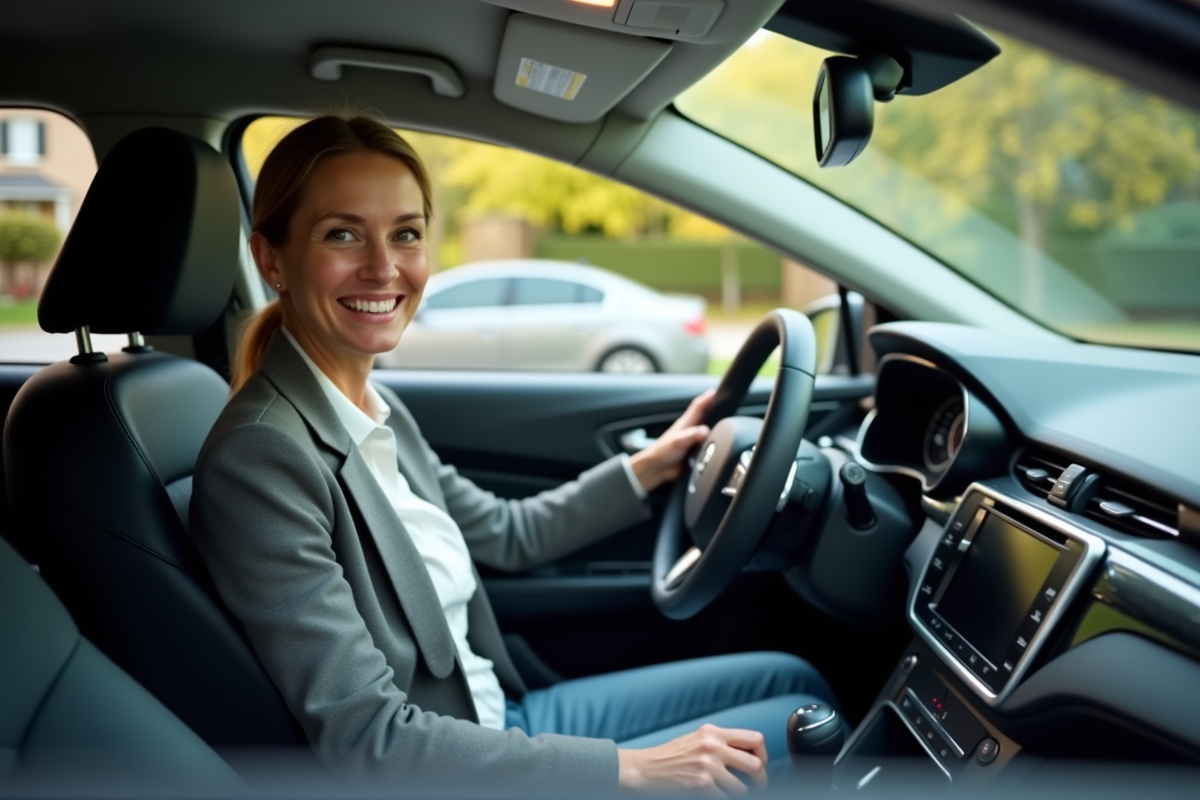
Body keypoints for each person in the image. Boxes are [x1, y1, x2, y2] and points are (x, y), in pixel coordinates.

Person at [191, 115, 836, 794]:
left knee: (791, 680)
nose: (384, 266)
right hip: (468, 767)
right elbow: (370, 741)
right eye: (342, 234)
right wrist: (635, 770)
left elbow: (507, 532)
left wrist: (652, 464)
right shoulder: (263, 457)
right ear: (270, 260)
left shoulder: (374, 408)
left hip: (501, 714)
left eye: (406, 234)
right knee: (807, 726)